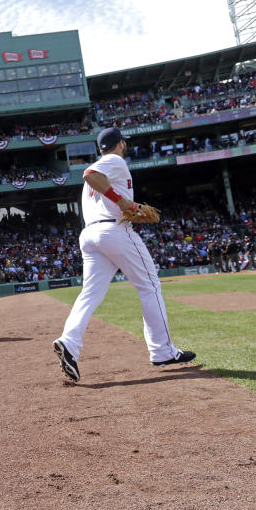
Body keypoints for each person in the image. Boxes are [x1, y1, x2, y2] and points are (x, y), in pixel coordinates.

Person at [52, 128, 196, 383]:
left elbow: (94, 179)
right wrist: (123, 203)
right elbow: (89, 174)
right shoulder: (114, 160)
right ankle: (163, 351)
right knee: (150, 285)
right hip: (113, 231)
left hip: (91, 234)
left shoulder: (105, 166)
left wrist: (123, 204)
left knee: (90, 293)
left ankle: (69, 343)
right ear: (121, 143)